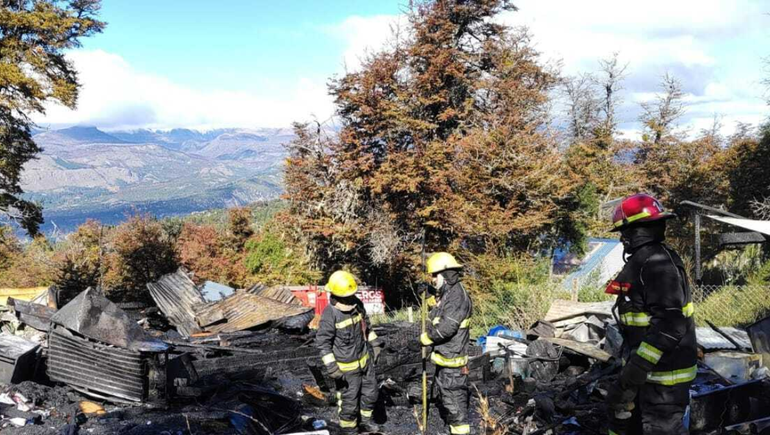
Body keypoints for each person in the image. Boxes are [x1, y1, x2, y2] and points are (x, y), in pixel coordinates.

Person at [604, 193, 697, 435]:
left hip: (664, 382)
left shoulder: (657, 264)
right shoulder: (646, 261)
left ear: (636, 230)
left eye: (624, 232)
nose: (622, 239)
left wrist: (634, 372)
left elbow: (669, 325)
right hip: (648, 377)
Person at [316, 270, 383, 434]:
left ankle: (365, 422)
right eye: (348, 296)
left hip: (365, 362)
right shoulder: (330, 314)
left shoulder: (357, 305)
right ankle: (349, 430)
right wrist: (332, 367)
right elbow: (323, 343)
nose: (351, 299)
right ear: (337, 295)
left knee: (371, 394)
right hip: (346, 369)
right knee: (349, 403)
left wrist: (375, 343)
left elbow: (367, 327)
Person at [418, 252, 473, 435]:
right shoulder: (450, 292)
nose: (432, 279)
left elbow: (447, 327)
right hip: (446, 359)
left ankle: (460, 432)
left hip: (453, 362)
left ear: (445, 274)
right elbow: (440, 311)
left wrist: (427, 338)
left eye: (434, 275)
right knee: (448, 397)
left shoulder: (457, 296)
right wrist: (429, 296)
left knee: (454, 401)